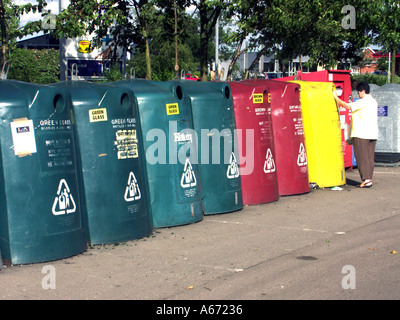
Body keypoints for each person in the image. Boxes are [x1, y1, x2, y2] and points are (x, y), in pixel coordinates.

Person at [334, 81, 378, 188]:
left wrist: (336, 98)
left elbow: (347, 106)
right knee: (369, 157)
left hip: (361, 133)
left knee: (361, 157)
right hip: (373, 133)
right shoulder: (373, 101)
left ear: (363, 92)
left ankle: (366, 180)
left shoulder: (363, 102)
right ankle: (369, 179)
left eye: (358, 92)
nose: (358, 94)